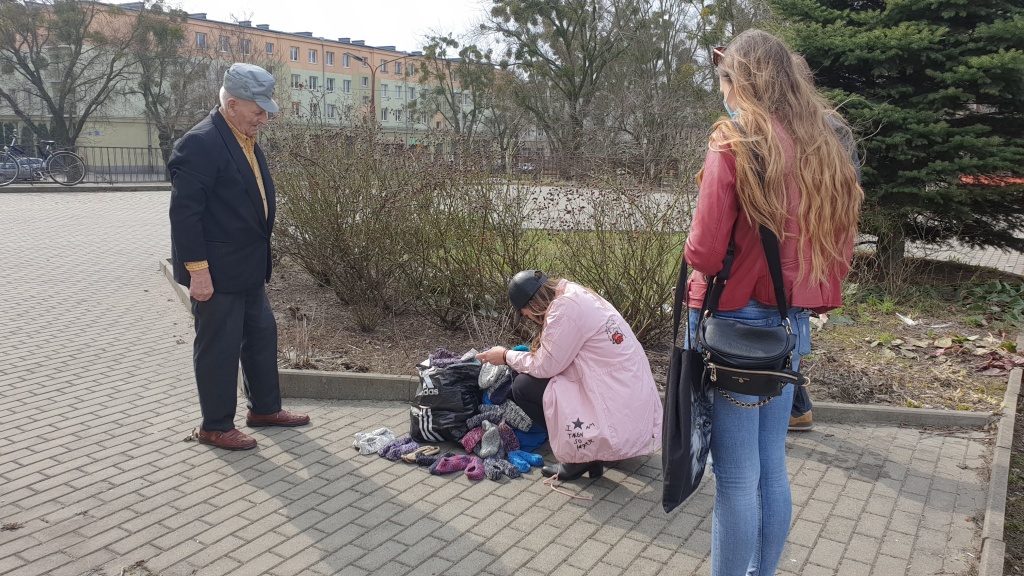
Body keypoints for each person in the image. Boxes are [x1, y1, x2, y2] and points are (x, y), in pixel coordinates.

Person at [685, 30, 862, 575]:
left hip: (736, 324)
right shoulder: (821, 146)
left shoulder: (735, 142)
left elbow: (704, 251)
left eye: (725, 81)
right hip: (789, 325)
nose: (724, 92)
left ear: (741, 81)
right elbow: (835, 243)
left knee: (736, 480)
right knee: (772, 469)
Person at [169, 63, 309, 451]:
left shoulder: (242, 136)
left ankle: (264, 408)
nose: (264, 118)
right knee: (219, 347)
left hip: (246, 266)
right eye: (258, 110)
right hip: (215, 272)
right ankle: (214, 426)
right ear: (232, 105)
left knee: (261, 336)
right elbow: (185, 215)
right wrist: (197, 272)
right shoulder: (200, 143)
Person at [475, 270, 663, 481]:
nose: (527, 318)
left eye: (524, 313)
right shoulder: (574, 293)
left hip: (615, 394)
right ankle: (592, 452)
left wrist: (505, 355)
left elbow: (544, 366)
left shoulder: (564, 310)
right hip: (625, 388)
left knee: (522, 387)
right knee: (532, 380)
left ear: (530, 305)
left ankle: (580, 456)